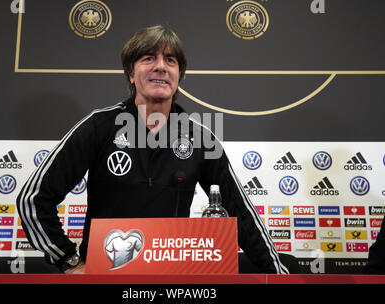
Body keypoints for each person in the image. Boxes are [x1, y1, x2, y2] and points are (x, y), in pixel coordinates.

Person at [16, 25, 288, 274]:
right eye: (148, 58)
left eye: (170, 60)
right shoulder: (99, 126)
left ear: (179, 76)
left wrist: (279, 276)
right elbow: (33, 200)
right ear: (131, 74)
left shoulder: (200, 138)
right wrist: (69, 260)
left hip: (172, 281)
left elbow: (241, 214)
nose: (161, 67)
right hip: (105, 277)